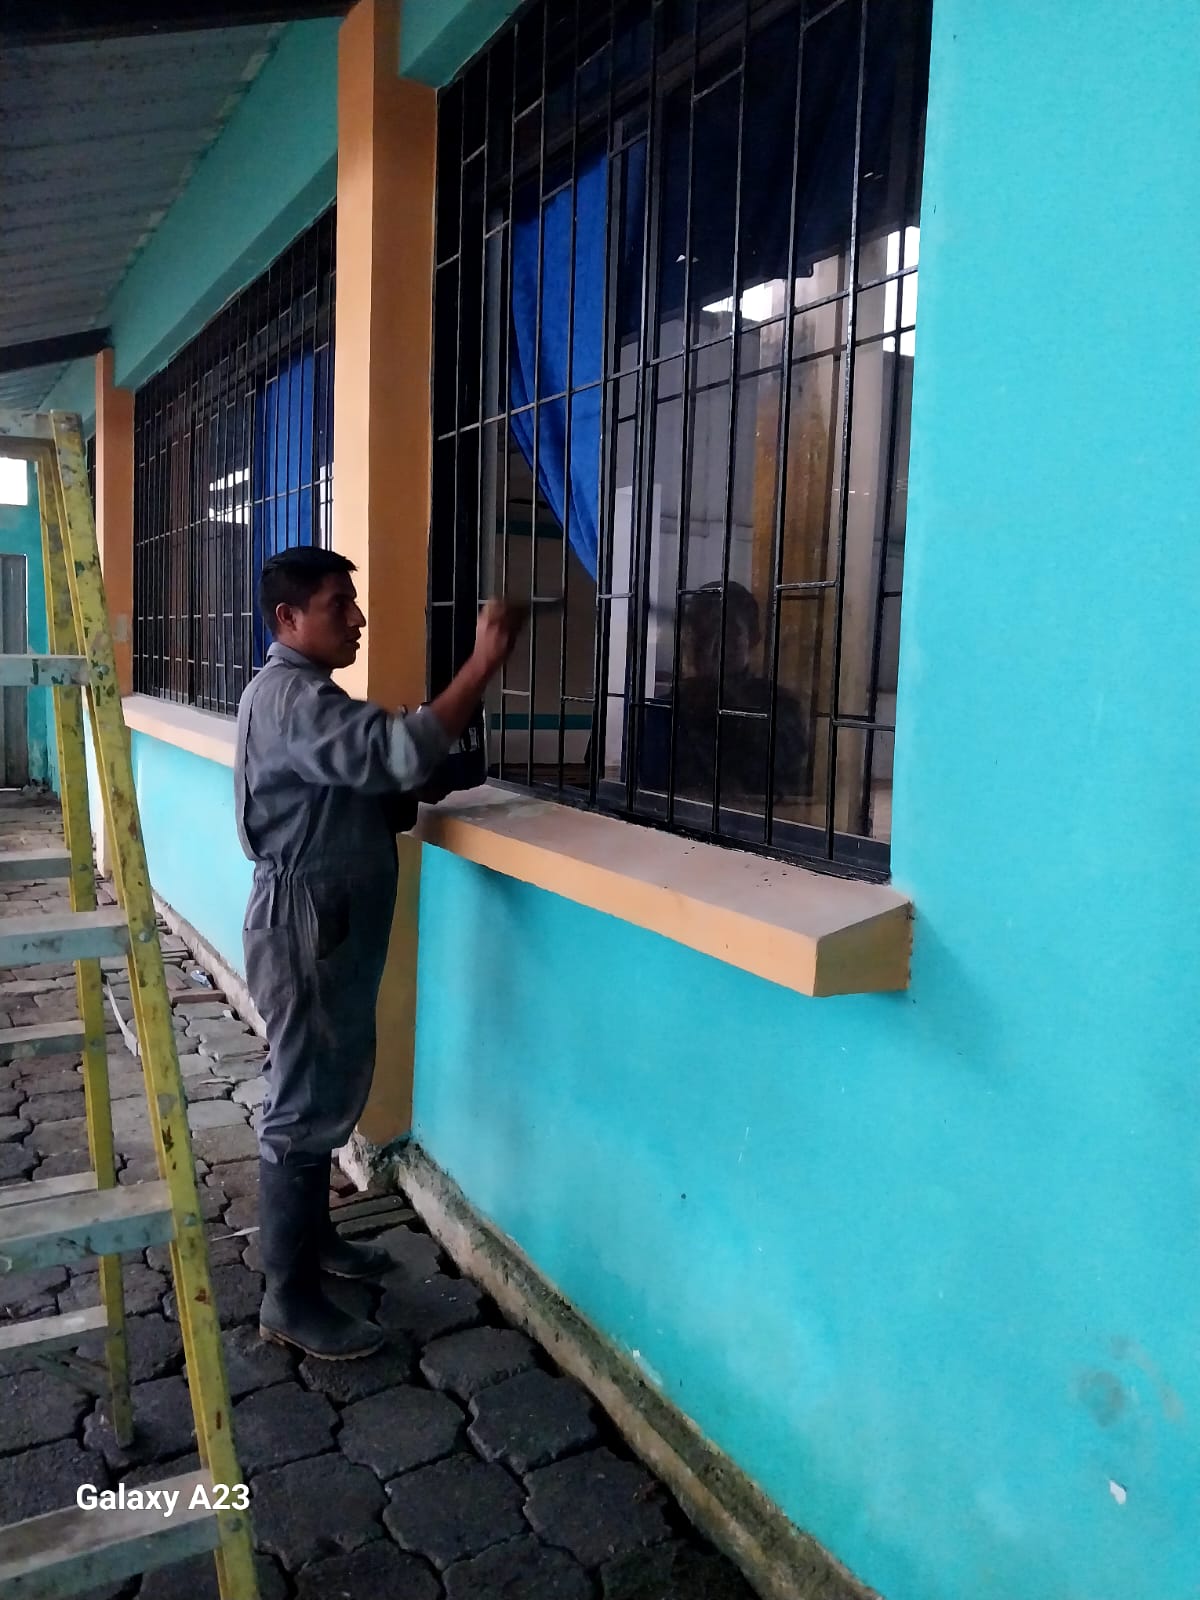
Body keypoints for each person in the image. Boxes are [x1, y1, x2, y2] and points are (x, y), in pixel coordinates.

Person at [234, 546, 523, 1361]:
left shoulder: (300, 696)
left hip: (321, 918)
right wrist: (482, 663)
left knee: (323, 1083)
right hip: (308, 921)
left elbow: (366, 778)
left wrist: (408, 774)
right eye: (338, 604)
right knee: (302, 1101)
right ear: (288, 617)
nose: (357, 619)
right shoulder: (294, 698)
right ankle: (288, 1298)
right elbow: (394, 754)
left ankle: (315, 1244)